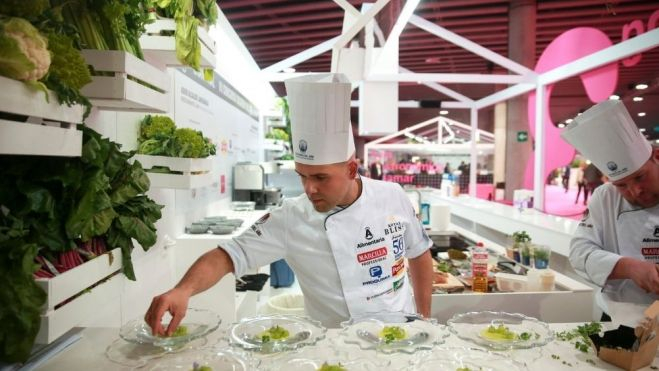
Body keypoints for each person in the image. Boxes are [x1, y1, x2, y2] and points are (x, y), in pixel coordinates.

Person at [145, 74, 434, 335]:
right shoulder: (290, 218)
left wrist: (423, 318)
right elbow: (227, 256)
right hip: (332, 349)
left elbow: (419, 253)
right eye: (302, 176)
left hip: (399, 339)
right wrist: (183, 290)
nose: (309, 189)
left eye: (321, 177)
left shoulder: (391, 195)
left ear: (350, 169)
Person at [561, 100, 659, 319]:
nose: (635, 191)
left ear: (657, 157)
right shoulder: (605, 197)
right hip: (619, 316)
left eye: (640, 177)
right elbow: (579, 253)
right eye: (621, 185)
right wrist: (629, 267)